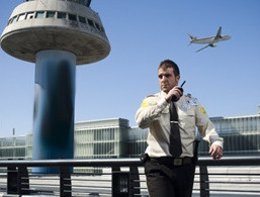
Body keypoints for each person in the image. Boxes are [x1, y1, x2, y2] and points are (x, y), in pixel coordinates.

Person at [135, 59, 223, 197]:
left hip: (185, 168)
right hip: (158, 167)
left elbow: (206, 126)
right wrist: (165, 101)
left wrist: (215, 142)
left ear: (177, 78)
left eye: (167, 75)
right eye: (160, 76)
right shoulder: (150, 101)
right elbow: (141, 122)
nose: (163, 79)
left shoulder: (191, 102)